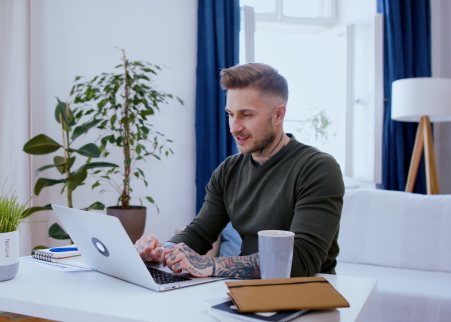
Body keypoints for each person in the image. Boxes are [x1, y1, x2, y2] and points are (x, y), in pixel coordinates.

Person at [135, 63, 344, 279]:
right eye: (230, 114)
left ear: (279, 114)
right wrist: (163, 251)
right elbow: (199, 233)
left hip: (308, 293)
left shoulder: (318, 168)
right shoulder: (228, 170)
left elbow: (301, 259)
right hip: (245, 289)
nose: (234, 127)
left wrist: (211, 265)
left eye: (246, 115)